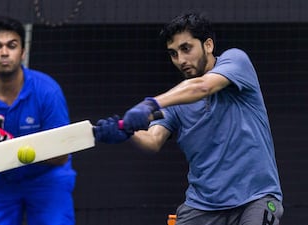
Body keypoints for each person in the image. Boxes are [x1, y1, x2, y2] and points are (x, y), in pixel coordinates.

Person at [93, 13, 283, 225]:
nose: (181, 60)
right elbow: (153, 139)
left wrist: (150, 104)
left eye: (186, 49)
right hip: (201, 207)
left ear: (208, 45)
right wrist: (127, 132)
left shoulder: (237, 61)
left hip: (255, 199)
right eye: (173, 53)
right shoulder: (175, 102)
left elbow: (203, 86)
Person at [0, 16, 76, 225]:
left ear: (22, 52)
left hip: (46, 177)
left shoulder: (48, 92)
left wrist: (18, 152)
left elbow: (60, 155)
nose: (4, 52)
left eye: (11, 46)